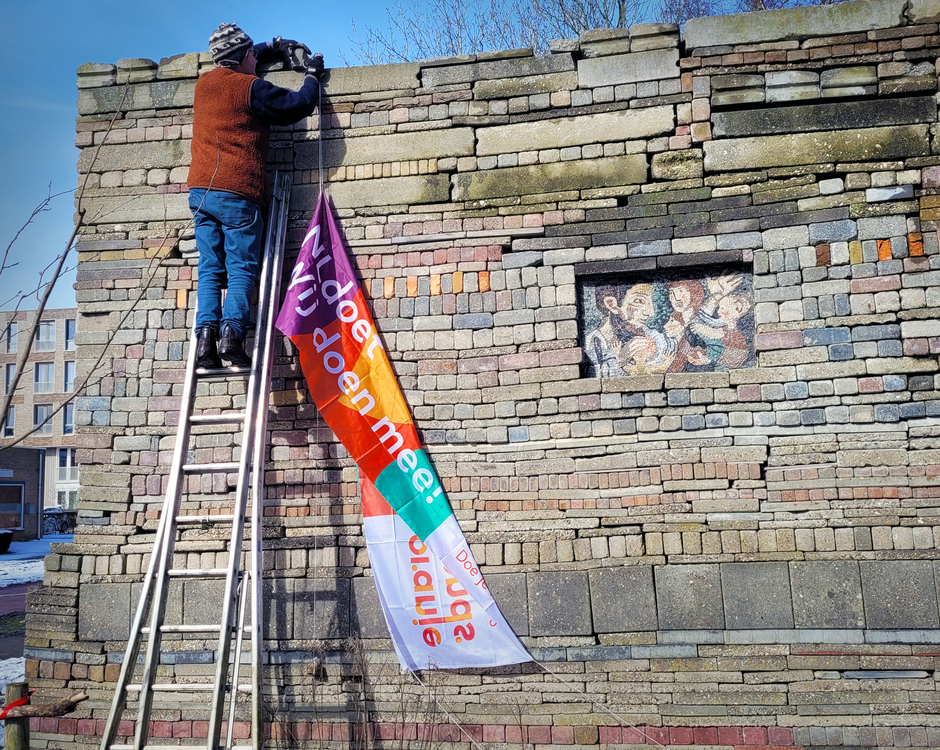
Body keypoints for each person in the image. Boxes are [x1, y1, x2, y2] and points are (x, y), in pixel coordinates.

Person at [188, 22, 325, 368]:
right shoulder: (252, 89)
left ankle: (205, 341)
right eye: (252, 53)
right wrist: (311, 75)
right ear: (241, 58)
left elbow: (237, 57)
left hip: (201, 193)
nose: (255, 57)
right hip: (237, 191)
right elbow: (297, 105)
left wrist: (271, 45)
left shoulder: (204, 85)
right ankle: (232, 337)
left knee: (209, 268)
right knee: (241, 269)